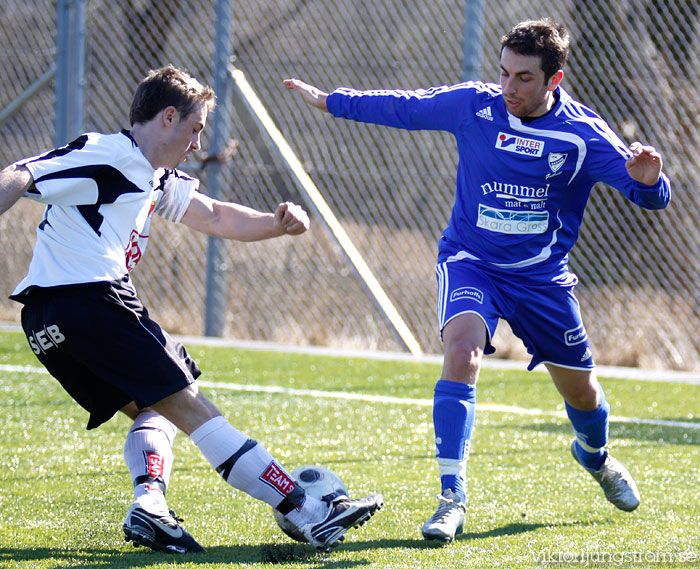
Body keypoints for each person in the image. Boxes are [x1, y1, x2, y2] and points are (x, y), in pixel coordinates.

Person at [284, 18, 670, 543]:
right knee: (462, 351)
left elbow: (645, 193)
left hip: (542, 282)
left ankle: (596, 458)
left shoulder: (581, 135)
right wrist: (331, 101)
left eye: (525, 79)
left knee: (583, 396)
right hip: (471, 262)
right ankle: (451, 498)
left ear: (555, 80)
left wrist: (651, 182)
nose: (509, 87)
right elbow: (405, 107)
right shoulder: (475, 105)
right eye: (505, 73)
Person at [0, 65, 382, 554]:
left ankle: (151, 507)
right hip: (91, 299)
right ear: (166, 117)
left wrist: (278, 224)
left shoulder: (153, 176)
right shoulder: (110, 155)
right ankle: (308, 510)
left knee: (156, 410)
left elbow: (216, 214)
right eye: (195, 128)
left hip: (46, 322)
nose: (198, 143)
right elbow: (21, 173)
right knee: (192, 407)